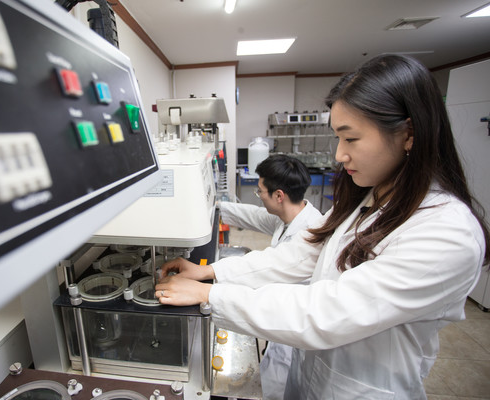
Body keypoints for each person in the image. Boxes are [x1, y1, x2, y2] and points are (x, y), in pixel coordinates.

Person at [156, 54, 490, 399]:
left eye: (351, 139)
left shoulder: (447, 231)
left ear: (409, 134)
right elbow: (295, 257)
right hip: (312, 375)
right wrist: (209, 273)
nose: (340, 155)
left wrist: (211, 295)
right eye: (338, 139)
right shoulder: (371, 199)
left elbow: (328, 311)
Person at [220, 154, 322, 399]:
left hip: (292, 338)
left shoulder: (310, 232)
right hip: (281, 330)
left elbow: (266, 270)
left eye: (260, 192)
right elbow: (254, 216)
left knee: (277, 390)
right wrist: (214, 209)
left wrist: (214, 282)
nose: (259, 196)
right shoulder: (293, 216)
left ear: (279, 196)